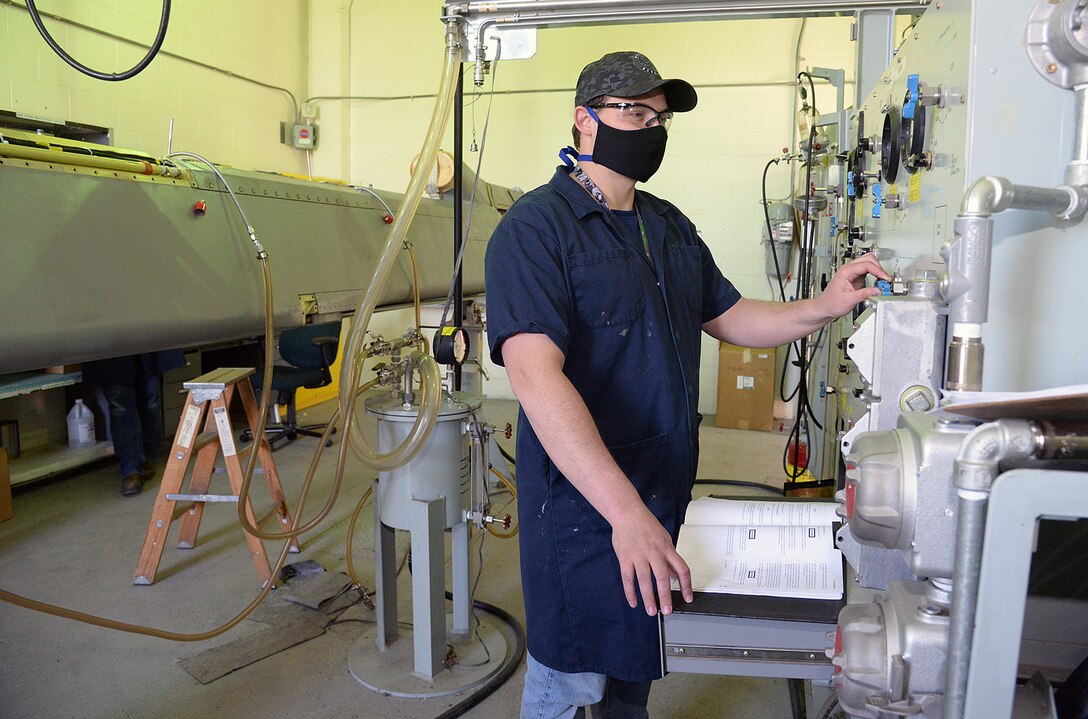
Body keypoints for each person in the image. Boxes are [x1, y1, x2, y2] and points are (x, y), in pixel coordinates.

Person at [484, 51, 889, 718]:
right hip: (588, 514)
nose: (651, 129)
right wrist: (624, 515)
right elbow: (534, 377)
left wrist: (822, 304)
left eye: (660, 117)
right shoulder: (535, 229)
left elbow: (729, 316)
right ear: (584, 121)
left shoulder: (665, 225)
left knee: (636, 662)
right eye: (634, 113)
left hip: (661, 493)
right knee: (571, 682)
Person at [82, 350, 185, 496]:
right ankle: (131, 469)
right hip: (108, 342)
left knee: (149, 398)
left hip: (143, 338)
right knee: (120, 404)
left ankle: (148, 454)